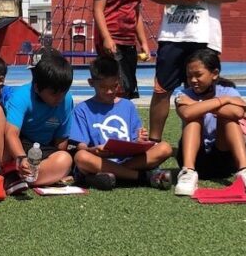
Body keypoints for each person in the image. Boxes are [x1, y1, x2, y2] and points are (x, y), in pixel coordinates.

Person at [146, 0, 240, 144]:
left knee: (202, 92)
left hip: (205, 37)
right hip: (172, 36)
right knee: (161, 90)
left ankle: (202, 143)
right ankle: (153, 142)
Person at [173, 49, 246, 196]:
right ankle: (187, 172)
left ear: (214, 73)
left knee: (229, 118)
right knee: (194, 118)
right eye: (189, 76)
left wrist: (200, 104)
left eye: (198, 75)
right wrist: (222, 102)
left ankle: (244, 170)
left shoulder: (227, 91)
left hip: (223, 159)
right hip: (196, 159)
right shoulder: (183, 94)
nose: (193, 80)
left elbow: (237, 113)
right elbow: (187, 113)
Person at [69, 56, 172, 190]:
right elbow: (81, 148)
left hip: (127, 161)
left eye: (114, 86)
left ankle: (110, 174)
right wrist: (94, 150)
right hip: (99, 160)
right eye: (103, 87)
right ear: (91, 83)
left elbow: (136, 139)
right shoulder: (82, 109)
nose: (110, 91)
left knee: (165, 148)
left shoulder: (127, 106)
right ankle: (144, 177)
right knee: (81, 157)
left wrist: (141, 139)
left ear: (119, 81)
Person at [2, 49, 75, 193]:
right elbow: (11, 133)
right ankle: (13, 172)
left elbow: (61, 141)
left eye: (64, 92)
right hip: (18, 145)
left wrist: (59, 164)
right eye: (54, 94)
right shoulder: (21, 96)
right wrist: (21, 158)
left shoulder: (67, 101)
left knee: (65, 159)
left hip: (41, 150)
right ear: (37, 88)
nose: (59, 98)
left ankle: (18, 179)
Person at [93, 0, 155, 99]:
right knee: (113, 85)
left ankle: (123, 118)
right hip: (112, 42)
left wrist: (143, 42)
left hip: (129, 43)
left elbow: (136, 14)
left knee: (128, 86)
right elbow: (98, 10)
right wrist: (106, 37)